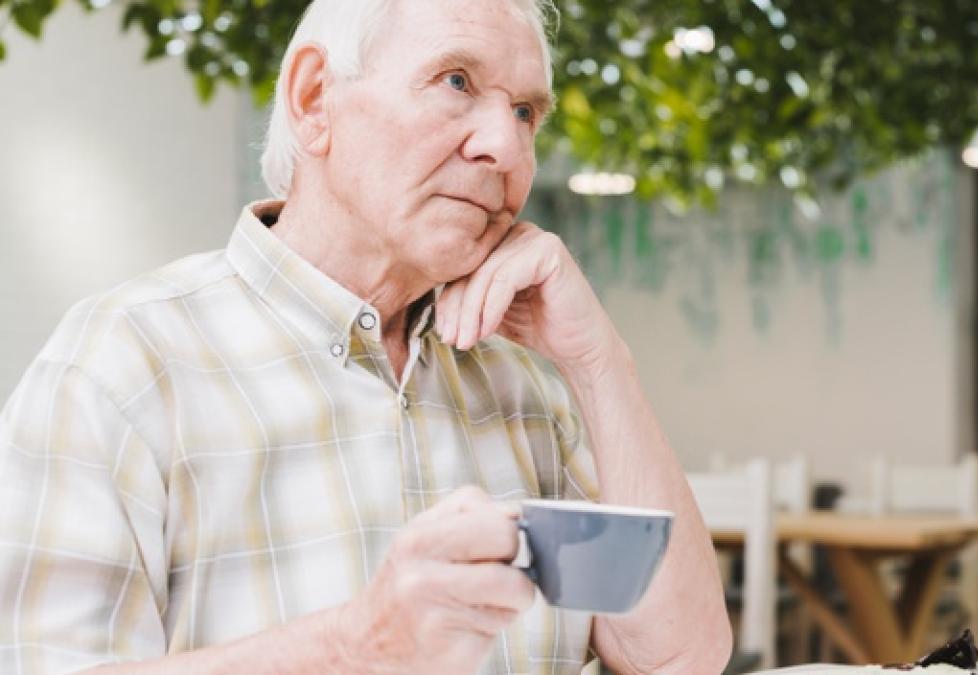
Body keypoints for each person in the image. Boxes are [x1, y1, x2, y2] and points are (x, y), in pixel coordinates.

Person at [0, 0, 732, 673]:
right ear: (315, 98)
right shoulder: (122, 365)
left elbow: (680, 659)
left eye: (525, 112)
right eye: (456, 81)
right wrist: (358, 645)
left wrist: (600, 361)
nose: (505, 148)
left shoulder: (531, 384)